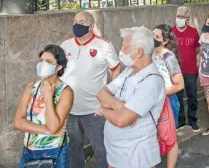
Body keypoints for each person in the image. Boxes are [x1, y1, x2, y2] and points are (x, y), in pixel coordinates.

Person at [96, 27, 166, 168]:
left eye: (125, 47)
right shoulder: (129, 71)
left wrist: (104, 110)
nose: (121, 50)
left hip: (137, 156)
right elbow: (101, 93)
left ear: (139, 52)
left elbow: (121, 120)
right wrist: (118, 105)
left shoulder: (151, 80)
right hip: (118, 154)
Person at [61, 11, 120, 168]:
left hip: (95, 110)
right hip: (70, 110)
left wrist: (109, 99)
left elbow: (115, 69)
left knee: (101, 150)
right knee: (74, 151)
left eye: (81, 22)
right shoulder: (65, 45)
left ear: (91, 26)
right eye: (75, 21)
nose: (77, 25)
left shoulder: (104, 45)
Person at [14, 45, 74, 168]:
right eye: (41, 61)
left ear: (59, 67)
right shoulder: (32, 87)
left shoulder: (65, 92)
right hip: (28, 151)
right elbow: (18, 122)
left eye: (49, 62)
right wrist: (45, 130)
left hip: (54, 152)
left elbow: (53, 127)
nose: (43, 64)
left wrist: (48, 97)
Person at [152, 25, 184, 168]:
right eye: (152, 35)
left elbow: (179, 85)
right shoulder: (150, 53)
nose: (152, 39)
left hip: (167, 101)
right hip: (152, 103)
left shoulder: (168, 56)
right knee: (153, 137)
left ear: (164, 41)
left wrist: (158, 93)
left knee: (169, 140)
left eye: (157, 37)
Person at [172, 6, 201, 132]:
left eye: (182, 17)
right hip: (176, 70)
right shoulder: (171, 32)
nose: (179, 19)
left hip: (190, 69)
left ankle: (192, 120)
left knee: (192, 96)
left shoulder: (193, 32)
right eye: (178, 16)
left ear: (187, 19)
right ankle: (180, 120)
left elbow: (197, 48)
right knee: (177, 97)